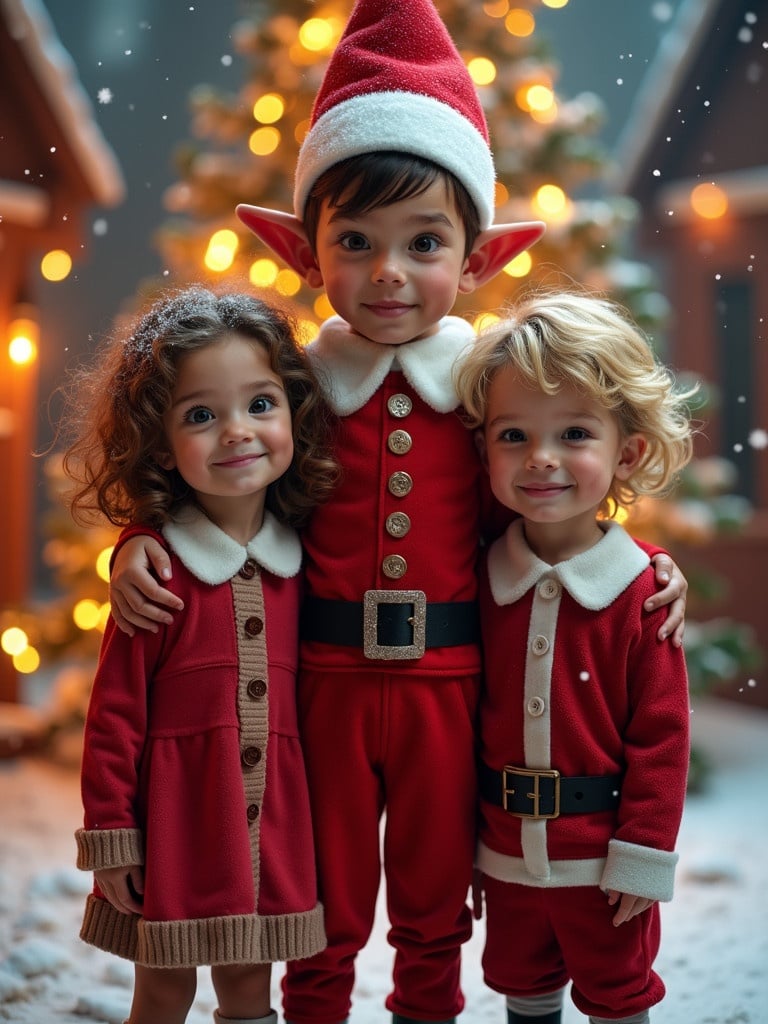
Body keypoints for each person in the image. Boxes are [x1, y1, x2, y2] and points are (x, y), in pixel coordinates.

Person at [107, 3, 689, 1023]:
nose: (388, 272)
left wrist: (645, 565)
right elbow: (214, 473)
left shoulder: (490, 386)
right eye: (357, 241)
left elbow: (553, 489)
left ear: (474, 258)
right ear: (307, 253)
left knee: (433, 903)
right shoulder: (287, 384)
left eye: (423, 242)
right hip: (320, 686)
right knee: (322, 903)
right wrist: (137, 546)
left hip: (450, 688)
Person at [65, 286, 337, 1024]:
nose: (237, 433)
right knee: (165, 987)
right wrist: (114, 838)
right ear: (159, 441)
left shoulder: (310, 558)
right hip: (178, 825)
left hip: (271, 822)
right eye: (200, 415)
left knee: (251, 987)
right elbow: (114, 718)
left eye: (259, 404)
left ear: (293, 412)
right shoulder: (155, 576)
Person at [454, 290, 695, 1024]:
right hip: (505, 855)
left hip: (602, 864)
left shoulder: (640, 596)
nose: (542, 460)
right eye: (514, 435)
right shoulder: (476, 579)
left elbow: (662, 739)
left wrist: (644, 855)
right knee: (524, 992)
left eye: (575, 434)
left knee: (617, 996)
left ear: (627, 453)